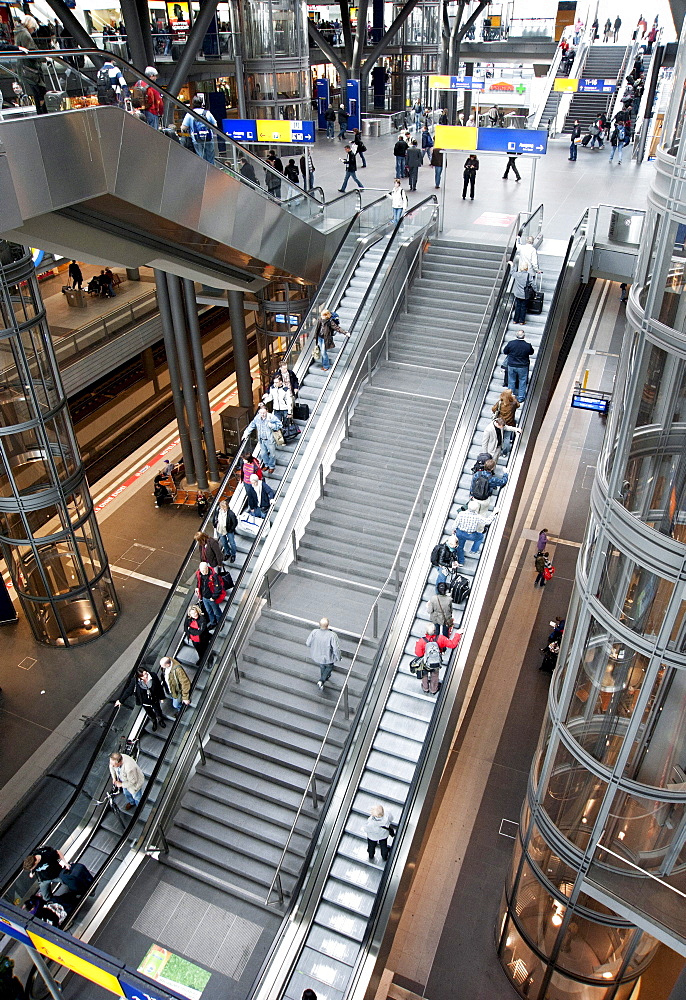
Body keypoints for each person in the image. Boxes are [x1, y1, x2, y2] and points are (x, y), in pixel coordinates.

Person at [413, 629, 461, 694]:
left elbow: (418, 653)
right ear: (435, 631)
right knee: (435, 675)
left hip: (425, 663)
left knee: (424, 674)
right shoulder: (441, 638)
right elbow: (452, 645)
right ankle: (433, 689)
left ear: (426, 632)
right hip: (436, 661)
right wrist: (457, 634)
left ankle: (425, 688)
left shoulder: (421, 641)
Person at [453, 500, 496, 566]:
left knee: (460, 547)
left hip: (460, 533)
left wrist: (453, 530)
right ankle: (474, 550)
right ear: (476, 508)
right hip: (471, 534)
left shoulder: (461, 514)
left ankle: (461, 562)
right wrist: (494, 513)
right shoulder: (477, 516)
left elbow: (455, 524)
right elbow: (487, 521)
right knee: (480, 537)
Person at [242, 404, 282, 473]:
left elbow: (280, 425)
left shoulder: (271, 417)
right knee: (263, 454)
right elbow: (251, 425)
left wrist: (272, 425)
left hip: (270, 440)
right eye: (261, 413)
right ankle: (266, 464)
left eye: (264, 413)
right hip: (261, 440)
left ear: (267, 411)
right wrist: (246, 433)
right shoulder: (257, 418)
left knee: (272, 454)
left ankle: (271, 466)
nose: (262, 414)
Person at [306, 617, 341, 689]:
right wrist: (338, 657)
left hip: (318, 656)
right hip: (328, 657)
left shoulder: (314, 632)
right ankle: (321, 680)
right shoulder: (332, 635)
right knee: (329, 667)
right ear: (328, 625)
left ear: (319, 624)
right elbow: (336, 648)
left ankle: (324, 679)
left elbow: (308, 643)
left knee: (322, 666)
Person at [182, 95, 217, 164]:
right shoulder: (207, 113)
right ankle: (212, 172)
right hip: (208, 138)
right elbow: (215, 125)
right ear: (202, 104)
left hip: (196, 139)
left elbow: (183, 128)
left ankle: (203, 172)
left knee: (201, 158)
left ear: (193, 103)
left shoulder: (190, 114)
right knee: (210, 158)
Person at [504, 329, 535, 401]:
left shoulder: (511, 343)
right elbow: (531, 352)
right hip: (523, 366)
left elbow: (505, 351)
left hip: (511, 365)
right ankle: (521, 397)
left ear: (516, 335)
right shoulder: (527, 345)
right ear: (524, 336)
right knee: (522, 381)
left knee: (511, 380)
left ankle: (510, 396)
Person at [195, 561, 226, 626]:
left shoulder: (214, 576)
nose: (202, 572)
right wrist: (197, 588)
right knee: (209, 611)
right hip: (204, 597)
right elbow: (198, 582)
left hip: (211, 598)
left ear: (207, 568)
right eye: (201, 570)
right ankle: (213, 623)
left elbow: (218, 588)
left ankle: (220, 623)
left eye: (203, 570)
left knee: (216, 612)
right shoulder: (200, 574)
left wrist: (213, 597)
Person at [492, 388, 520, 454]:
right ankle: (505, 452)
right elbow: (518, 405)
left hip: (499, 423)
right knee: (507, 438)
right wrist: (514, 398)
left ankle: (496, 449)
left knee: (498, 436)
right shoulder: (513, 403)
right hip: (510, 423)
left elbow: (493, 409)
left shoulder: (500, 403)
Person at [213, 498, 237, 563]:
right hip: (220, 529)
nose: (223, 509)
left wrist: (231, 529)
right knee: (224, 542)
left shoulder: (231, 514)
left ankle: (233, 555)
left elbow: (235, 523)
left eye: (224, 507)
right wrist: (214, 524)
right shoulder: (218, 511)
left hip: (228, 530)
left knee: (232, 543)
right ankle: (227, 553)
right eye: (222, 507)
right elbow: (215, 517)